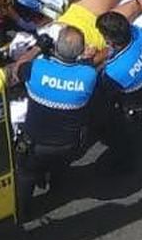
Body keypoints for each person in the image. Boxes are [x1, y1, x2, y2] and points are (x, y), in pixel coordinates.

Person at [11, 24, 98, 218]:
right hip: (68, 143)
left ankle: (23, 212)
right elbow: (85, 68)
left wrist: (37, 48)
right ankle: (57, 187)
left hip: (35, 144)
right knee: (60, 166)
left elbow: (18, 69)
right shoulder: (88, 76)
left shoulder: (38, 68)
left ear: (56, 47)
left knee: (26, 176)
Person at [93, 12, 142, 172]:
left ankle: (124, 164)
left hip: (131, 105)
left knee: (121, 137)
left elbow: (103, 93)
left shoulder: (115, 72)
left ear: (110, 40)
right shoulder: (139, 33)